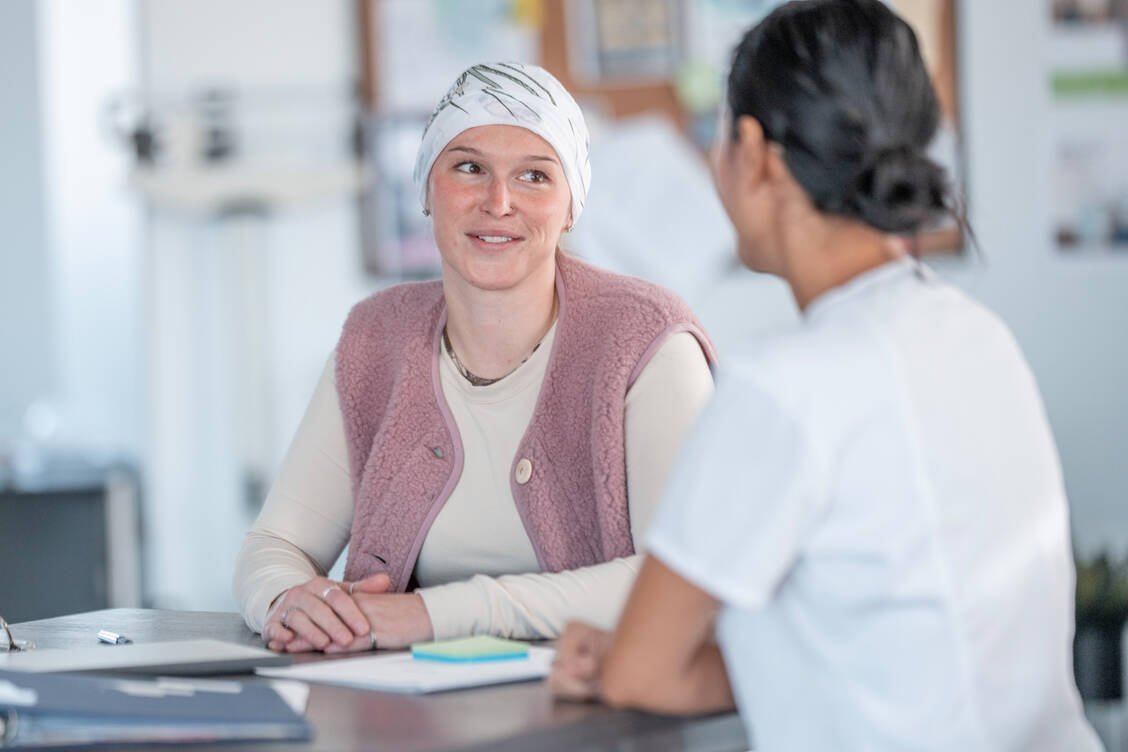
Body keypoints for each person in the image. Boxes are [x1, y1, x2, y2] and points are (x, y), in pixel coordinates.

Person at [547, 2, 1102, 750]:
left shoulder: (783, 388)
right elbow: (899, 650)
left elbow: (643, 675)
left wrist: (620, 656)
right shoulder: (978, 338)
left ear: (754, 151)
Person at [232, 62, 716, 654]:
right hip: (406, 716)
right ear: (427, 189)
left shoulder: (648, 341)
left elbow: (675, 578)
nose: (499, 201)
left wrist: (431, 615)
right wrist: (288, 599)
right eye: (469, 168)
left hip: (598, 716)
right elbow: (276, 542)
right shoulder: (375, 338)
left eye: (535, 176)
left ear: (570, 207)